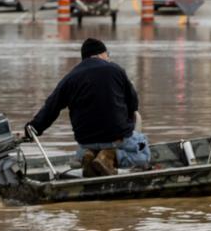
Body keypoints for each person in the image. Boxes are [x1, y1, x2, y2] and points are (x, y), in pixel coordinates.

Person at [26, 38, 150, 177]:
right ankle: (110, 156)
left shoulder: (70, 78)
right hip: (116, 137)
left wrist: (33, 129)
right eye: (107, 54)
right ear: (101, 54)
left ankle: (90, 156)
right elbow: (133, 104)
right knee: (144, 154)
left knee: (88, 148)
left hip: (85, 141)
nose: (108, 58)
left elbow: (50, 109)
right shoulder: (116, 69)